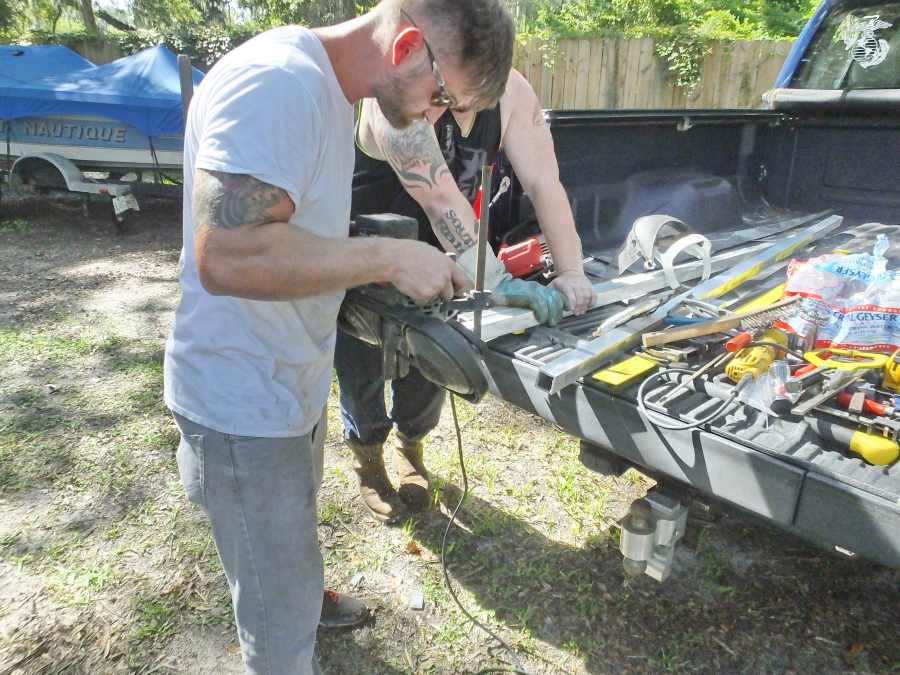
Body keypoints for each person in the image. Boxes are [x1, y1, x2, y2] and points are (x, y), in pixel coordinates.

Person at [163, 2, 515, 673]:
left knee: (290, 548)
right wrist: (384, 256)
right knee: (277, 633)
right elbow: (227, 254)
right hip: (240, 403)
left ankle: (298, 593)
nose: (438, 117)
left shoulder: (325, 90)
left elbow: (290, 231)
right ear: (409, 43)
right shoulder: (278, 83)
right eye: (442, 95)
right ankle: (289, 621)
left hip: (281, 386)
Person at [336, 68, 597, 523]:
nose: (441, 105)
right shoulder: (398, 88)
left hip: (446, 263)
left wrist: (572, 271)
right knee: (361, 371)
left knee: (427, 370)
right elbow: (437, 196)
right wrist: (496, 280)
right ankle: (368, 462)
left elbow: (544, 184)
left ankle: (410, 450)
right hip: (369, 263)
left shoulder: (512, 91)